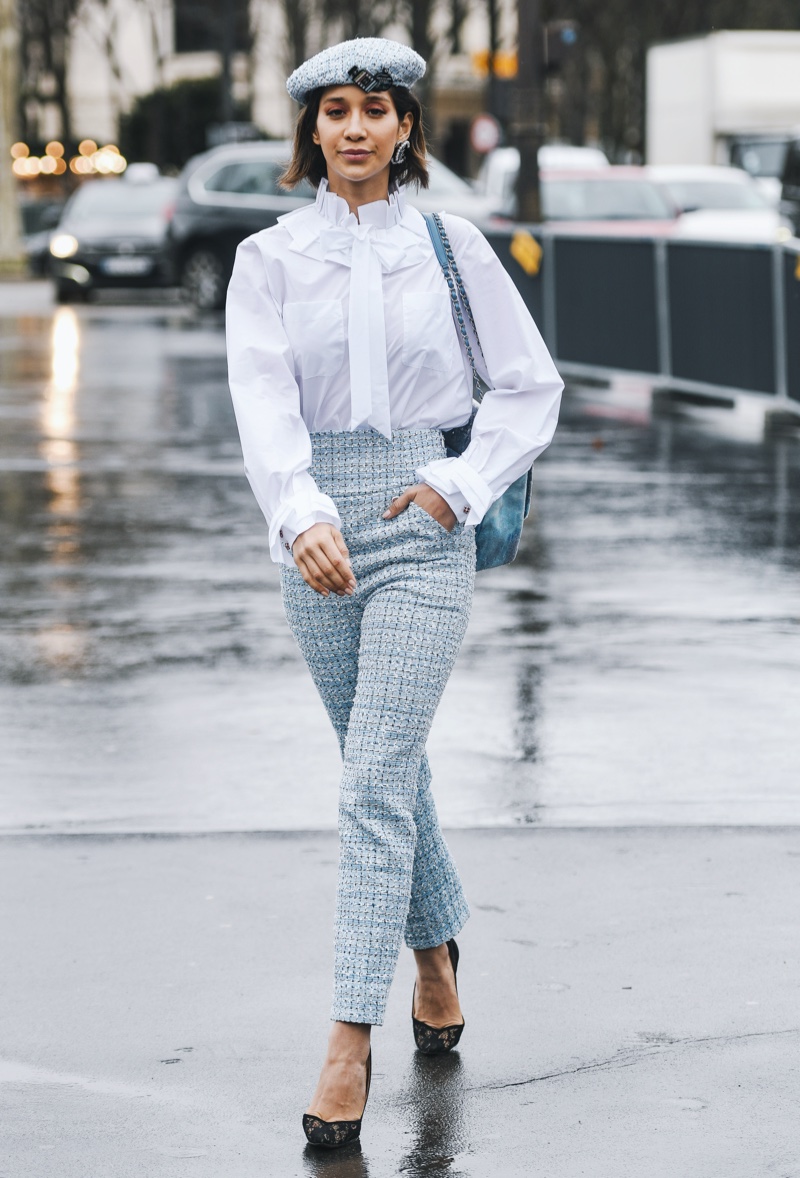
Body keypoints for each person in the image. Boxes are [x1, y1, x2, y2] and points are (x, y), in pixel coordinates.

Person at [225, 36, 563, 1149]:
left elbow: (526, 386)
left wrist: (455, 482)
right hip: (314, 530)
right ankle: (433, 953)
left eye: (376, 107)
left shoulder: (449, 243)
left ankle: (344, 1038)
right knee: (386, 761)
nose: (356, 127)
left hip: (423, 520)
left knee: (371, 775)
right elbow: (263, 403)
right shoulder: (268, 257)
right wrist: (299, 511)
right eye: (335, 110)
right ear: (310, 130)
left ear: (406, 125)